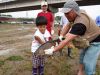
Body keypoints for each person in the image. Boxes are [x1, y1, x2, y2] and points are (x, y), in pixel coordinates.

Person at [44, 0, 100, 75]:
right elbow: (68, 25)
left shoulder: (80, 23)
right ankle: (80, 73)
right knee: (81, 58)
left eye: (67, 13)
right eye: (64, 13)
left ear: (73, 11)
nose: (65, 15)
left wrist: (53, 50)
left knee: (88, 63)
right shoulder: (76, 14)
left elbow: (66, 40)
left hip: (95, 41)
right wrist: (61, 36)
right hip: (87, 39)